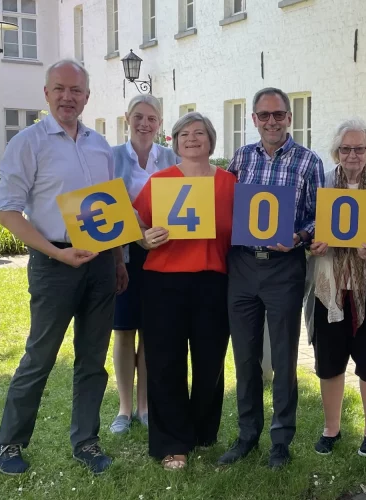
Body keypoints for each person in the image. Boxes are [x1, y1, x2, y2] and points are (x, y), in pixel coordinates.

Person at [0, 59, 127, 475]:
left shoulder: (100, 145)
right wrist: (56, 252)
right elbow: (8, 211)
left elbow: (111, 210)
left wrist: (119, 261)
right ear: (46, 93)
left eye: (77, 91)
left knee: (92, 358)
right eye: (60, 89)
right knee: (40, 356)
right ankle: (9, 443)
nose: (68, 97)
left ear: (87, 96)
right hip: (55, 264)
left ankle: (86, 441)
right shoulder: (28, 143)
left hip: (101, 263)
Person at [218, 87, 325, 469]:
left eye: (278, 114)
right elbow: (225, 207)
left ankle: (281, 440)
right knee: (244, 357)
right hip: (243, 266)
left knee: (283, 356)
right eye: (264, 115)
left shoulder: (308, 162)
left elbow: (319, 215)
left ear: (289, 118)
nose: (271, 122)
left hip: (284, 269)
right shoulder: (241, 158)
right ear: (254, 120)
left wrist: (298, 236)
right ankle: (247, 435)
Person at [132, 112, 235, 470]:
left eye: (200, 133)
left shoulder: (229, 183)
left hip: (213, 282)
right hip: (164, 282)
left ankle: (204, 430)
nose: (192, 138)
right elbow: (133, 223)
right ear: (174, 143)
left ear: (211, 139)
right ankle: (171, 442)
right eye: (183, 134)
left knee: (210, 363)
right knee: (165, 363)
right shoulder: (159, 181)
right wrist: (144, 239)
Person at [307, 118, 366, 457]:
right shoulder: (322, 188)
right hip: (330, 290)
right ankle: (331, 429)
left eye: (359, 148)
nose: (352, 155)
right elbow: (308, 229)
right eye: (346, 149)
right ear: (337, 151)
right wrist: (313, 243)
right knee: (329, 365)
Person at [109, 94, 179, 435]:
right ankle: (123, 408)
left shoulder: (171, 158)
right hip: (123, 254)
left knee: (151, 333)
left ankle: (144, 406)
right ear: (127, 118)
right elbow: (107, 210)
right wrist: (129, 245)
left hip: (162, 254)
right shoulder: (111, 158)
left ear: (160, 123)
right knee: (123, 331)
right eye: (138, 117)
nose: (144, 124)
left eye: (152, 118)